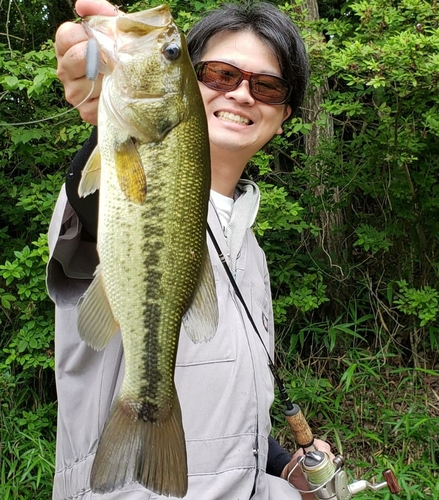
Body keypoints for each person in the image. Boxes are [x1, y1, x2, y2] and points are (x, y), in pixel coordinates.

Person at [47, 1, 333, 499]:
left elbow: (227, 396)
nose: (242, 94)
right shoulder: (112, 180)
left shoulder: (251, 248)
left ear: (283, 116)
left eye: (266, 86)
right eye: (220, 74)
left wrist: (285, 467)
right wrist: (102, 91)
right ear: (189, 87)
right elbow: (90, 206)